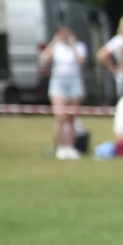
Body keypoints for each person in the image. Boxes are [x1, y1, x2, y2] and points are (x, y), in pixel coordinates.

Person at [41, 25, 86, 160]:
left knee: (72, 117)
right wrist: (54, 42)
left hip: (74, 81)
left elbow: (81, 61)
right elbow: (43, 61)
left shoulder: (79, 46)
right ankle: (60, 147)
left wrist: (72, 46)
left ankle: (70, 147)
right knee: (60, 116)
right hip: (58, 81)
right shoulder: (56, 47)